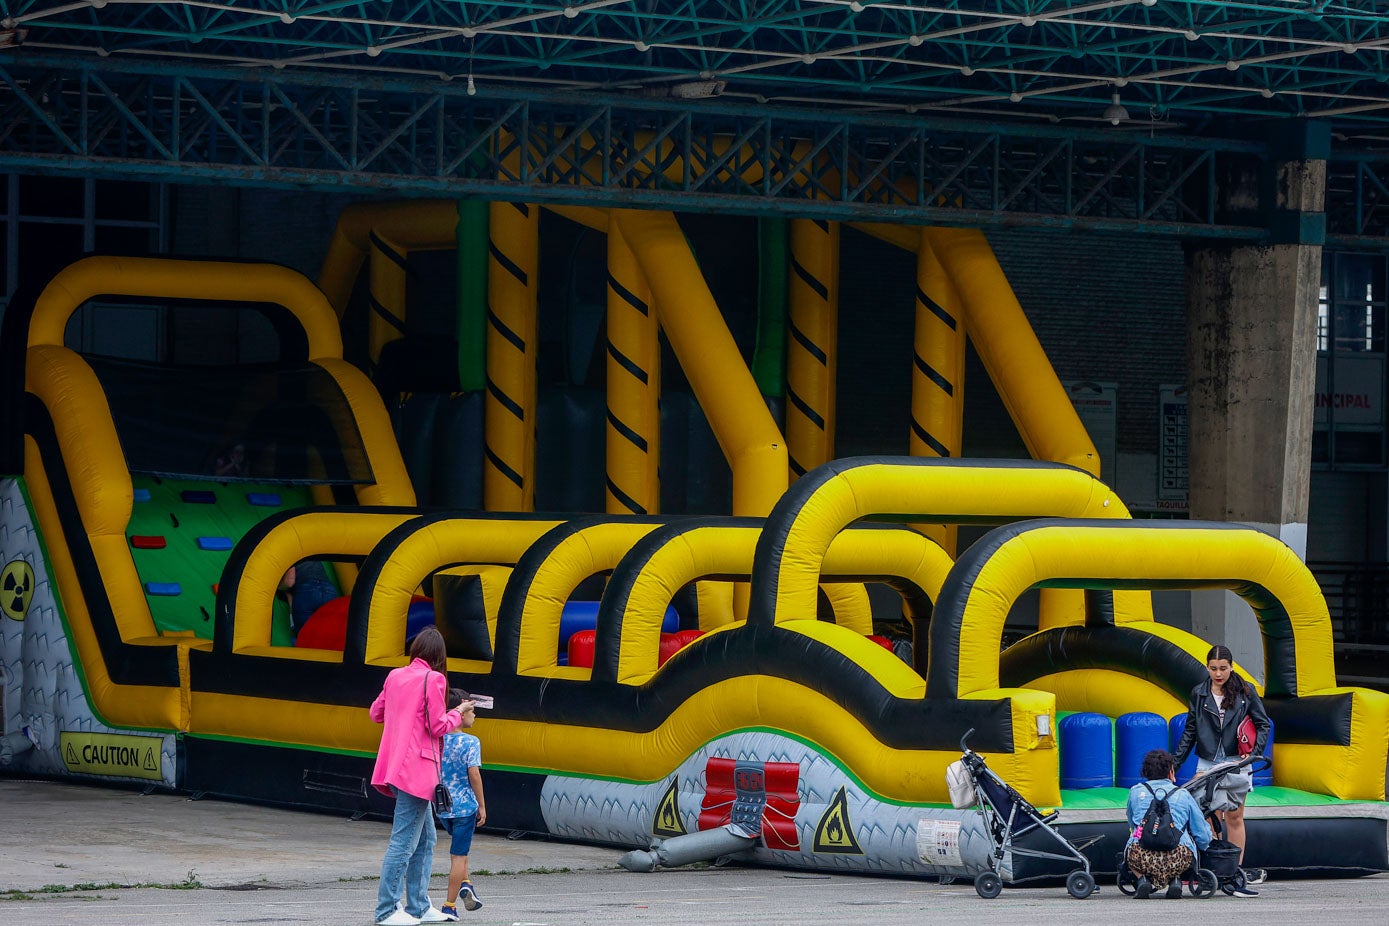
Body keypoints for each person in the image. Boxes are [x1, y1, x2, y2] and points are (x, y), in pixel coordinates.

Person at [370, 627, 462, 926]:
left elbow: (376, 713)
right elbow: (437, 726)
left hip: (395, 766)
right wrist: (458, 713)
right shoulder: (434, 679)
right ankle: (387, 910)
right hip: (417, 770)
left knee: (425, 839)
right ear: (439, 656)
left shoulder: (395, 675)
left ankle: (419, 906)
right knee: (404, 841)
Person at [1172, 643, 1271, 893]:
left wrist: (1253, 754)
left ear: (1232, 667)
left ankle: (1234, 871)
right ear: (1207, 667)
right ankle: (1216, 869)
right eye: (1214, 668)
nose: (1218, 673)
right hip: (1208, 760)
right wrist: (1175, 763)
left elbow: (1263, 724)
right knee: (1210, 815)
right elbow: (1191, 730)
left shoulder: (1245, 691)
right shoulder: (1199, 692)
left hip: (1237, 759)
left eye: (1223, 668)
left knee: (1235, 816)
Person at [1126, 749, 1214, 899]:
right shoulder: (1183, 794)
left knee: (1132, 846)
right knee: (1184, 846)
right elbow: (1201, 832)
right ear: (1170, 771)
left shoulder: (1135, 792)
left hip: (1141, 856)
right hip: (1178, 857)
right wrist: (1204, 845)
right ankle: (1176, 880)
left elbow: (1132, 824)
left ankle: (1142, 879)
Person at [436, 689, 486, 920]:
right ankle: (449, 906)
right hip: (465, 807)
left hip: (442, 807)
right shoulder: (470, 742)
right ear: (461, 712)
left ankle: (466, 884)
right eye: (472, 711)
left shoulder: (437, 739)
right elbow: (474, 774)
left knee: (460, 854)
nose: (474, 716)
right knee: (459, 856)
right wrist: (482, 805)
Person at [279, 559, 338, 638]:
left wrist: (279, 587)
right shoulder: (312, 553)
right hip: (329, 590)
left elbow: (289, 582)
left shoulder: (290, 552)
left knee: (305, 638)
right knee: (333, 635)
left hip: (307, 591)